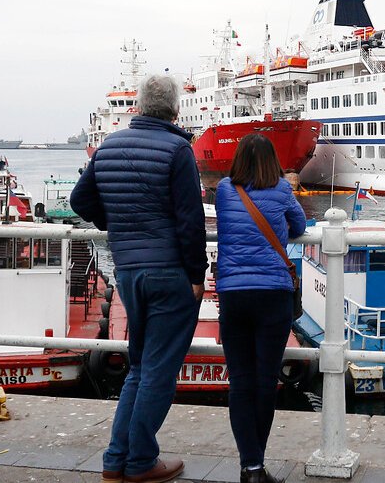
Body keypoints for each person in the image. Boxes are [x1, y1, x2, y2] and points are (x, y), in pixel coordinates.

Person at [71, 74, 207, 483]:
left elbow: (80, 200)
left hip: (128, 270)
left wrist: (115, 224)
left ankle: (117, 460)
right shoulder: (178, 149)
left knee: (139, 366)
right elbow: (190, 219)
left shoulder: (109, 146)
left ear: (139, 106)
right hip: (170, 273)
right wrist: (197, 275)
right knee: (159, 371)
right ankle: (141, 461)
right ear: (174, 109)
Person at [214, 134, 306, 483]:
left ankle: (249, 464)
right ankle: (257, 466)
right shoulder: (282, 189)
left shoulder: (224, 190)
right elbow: (298, 226)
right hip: (273, 294)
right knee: (266, 381)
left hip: (234, 294)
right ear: (272, 161)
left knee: (240, 381)